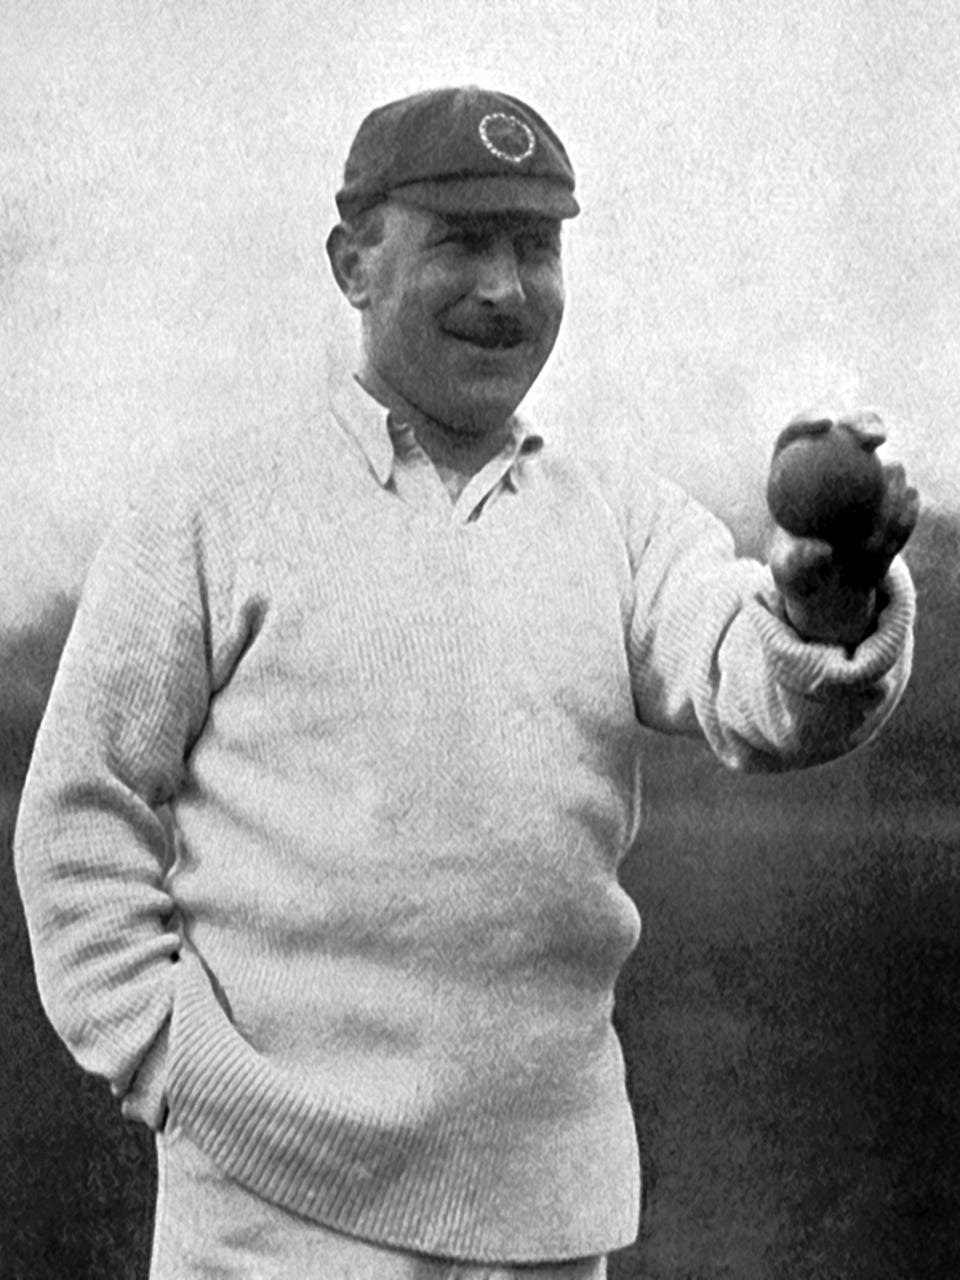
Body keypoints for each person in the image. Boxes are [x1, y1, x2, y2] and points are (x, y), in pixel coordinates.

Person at [14, 85, 918, 1279]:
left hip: (544, 1213)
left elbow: (761, 693)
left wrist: (826, 597)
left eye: (535, 247)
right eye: (461, 242)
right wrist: (174, 1062)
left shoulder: (623, 519)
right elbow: (79, 819)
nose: (505, 288)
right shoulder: (208, 507)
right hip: (271, 1213)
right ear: (354, 264)